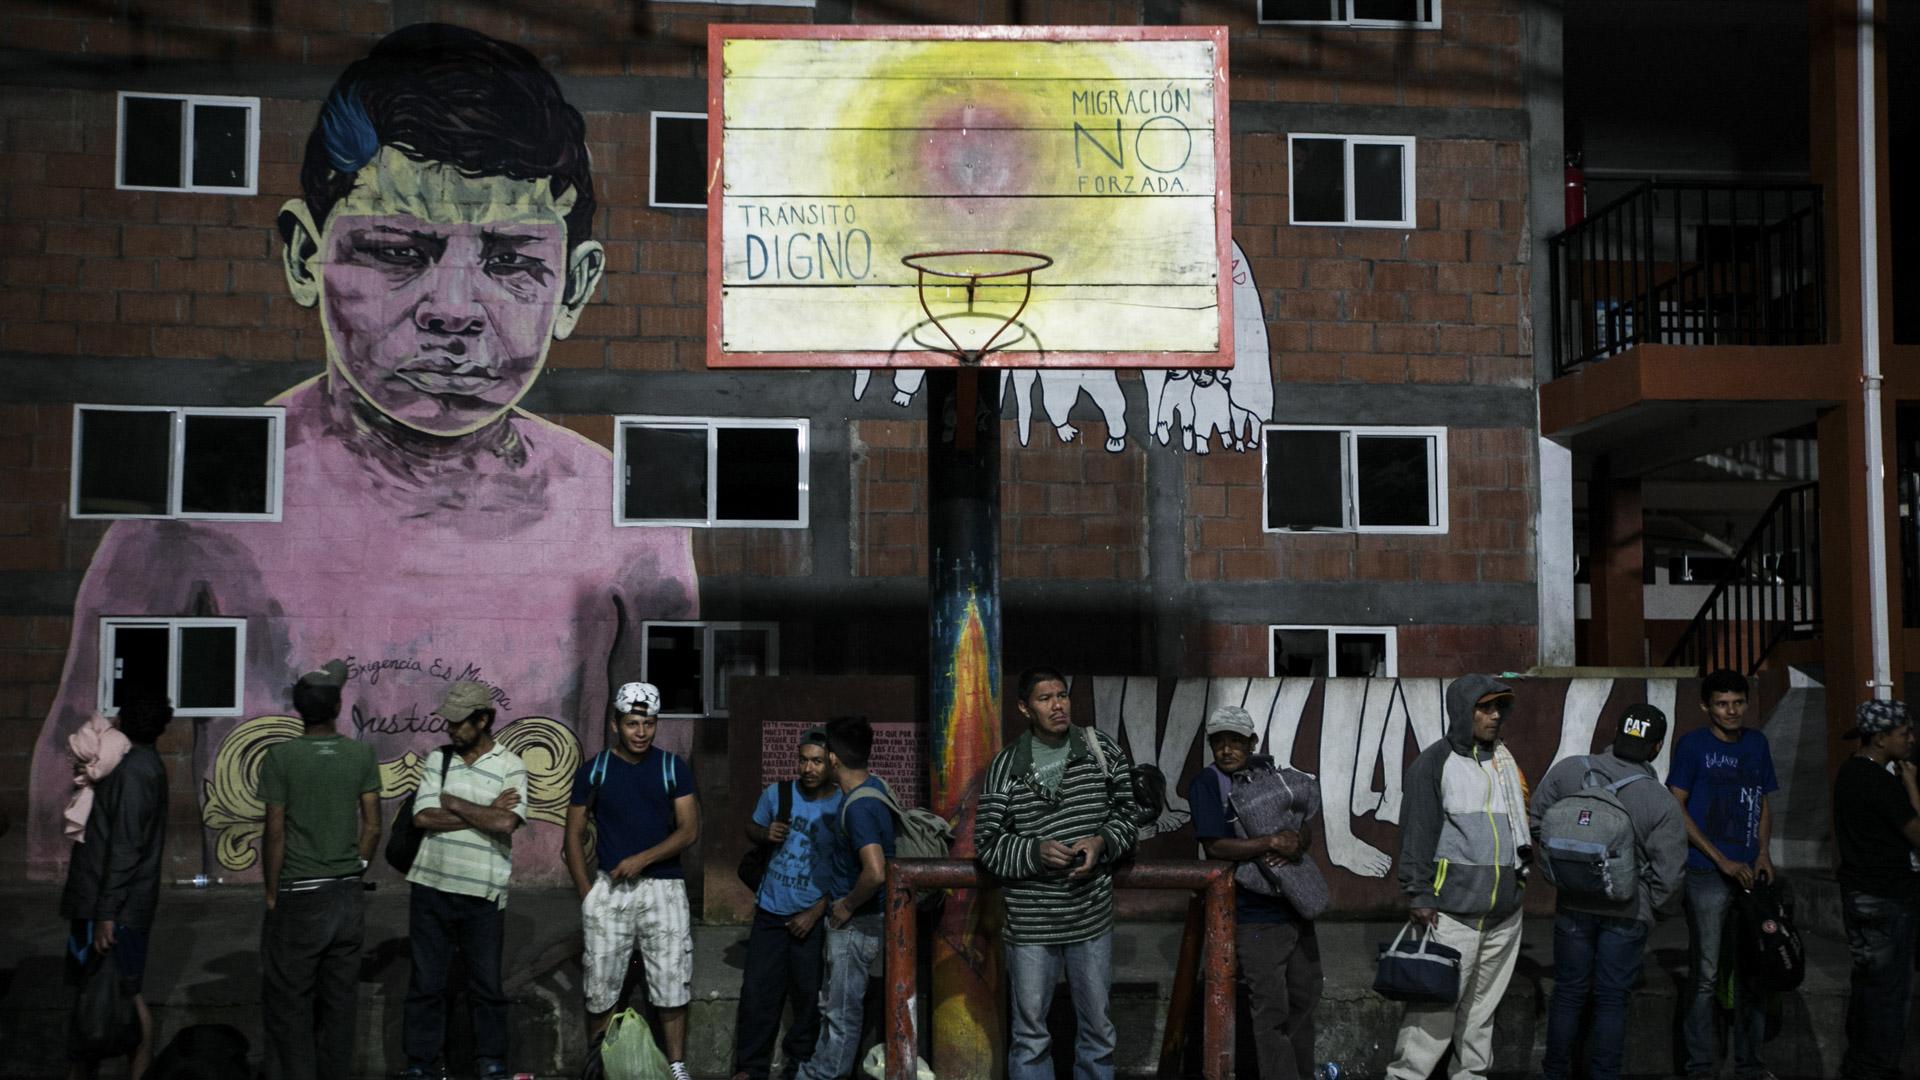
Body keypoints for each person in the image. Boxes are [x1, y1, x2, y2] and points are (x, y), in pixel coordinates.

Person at [27, 21, 698, 882]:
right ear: (307, 255)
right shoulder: (194, 511)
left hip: (529, 952)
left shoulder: (627, 523)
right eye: (395, 251)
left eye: (510, 260)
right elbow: (71, 795)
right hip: (268, 950)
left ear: (576, 285)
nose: (453, 307)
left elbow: (664, 787)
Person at [975, 667, 1139, 1080]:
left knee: (1099, 1031)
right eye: (1045, 698)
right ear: (1024, 708)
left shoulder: (1100, 748)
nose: (1057, 705)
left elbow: (1129, 815)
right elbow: (988, 843)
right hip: (1031, 923)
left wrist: (1101, 842)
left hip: (1091, 916)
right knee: (1030, 1037)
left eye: (1061, 695)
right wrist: (1035, 851)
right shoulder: (1007, 765)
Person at [1527, 703, 1687, 1080]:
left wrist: (1565, 869)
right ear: (1657, 746)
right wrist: (1654, 909)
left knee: (1568, 994)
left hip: (1572, 906)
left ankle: (1555, 1072)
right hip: (1627, 912)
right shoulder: (1659, 801)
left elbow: (1537, 823)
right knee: (1612, 1000)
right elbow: (1670, 873)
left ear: (1616, 733)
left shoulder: (1570, 772)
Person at [1384, 674, 1529, 1080]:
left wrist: (1517, 890)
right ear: (1463, 711)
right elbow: (1416, 835)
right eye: (1485, 707)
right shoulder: (1433, 764)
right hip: (1451, 916)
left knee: (1480, 1019)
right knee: (1432, 1018)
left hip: (1503, 915)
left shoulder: (1504, 763)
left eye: (1499, 707)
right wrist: (1420, 896)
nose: (1495, 715)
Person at [564, 682, 700, 1080]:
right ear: (615, 725)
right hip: (610, 890)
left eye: (649, 723)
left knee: (672, 979)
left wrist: (643, 859)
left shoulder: (672, 767)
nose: (641, 732)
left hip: (666, 889)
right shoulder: (596, 770)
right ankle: (599, 1065)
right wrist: (587, 894)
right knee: (600, 982)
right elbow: (572, 837)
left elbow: (689, 830)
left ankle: (676, 1065)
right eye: (632, 723)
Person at [258, 660, 382, 1080]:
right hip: (347, 894)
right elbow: (373, 824)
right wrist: (358, 866)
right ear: (338, 707)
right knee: (340, 1006)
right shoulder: (360, 754)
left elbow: (274, 833)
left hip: (299, 892)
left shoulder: (280, 757)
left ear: (299, 710)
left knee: (291, 1005)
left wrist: (273, 894)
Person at [401, 681, 531, 1080]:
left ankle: (490, 1062)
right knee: (426, 984)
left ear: (483, 720)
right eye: (449, 722)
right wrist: (483, 812)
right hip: (430, 888)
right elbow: (422, 817)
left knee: (486, 986)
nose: (451, 730)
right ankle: (420, 1065)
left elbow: (506, 821)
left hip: (483, 894)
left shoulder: (511, 764)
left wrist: (455, 803)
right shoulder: (438, 760)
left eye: (459, 723)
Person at [1185, 704, 1323, 1080]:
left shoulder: (1270, 776)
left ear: (1252, 742)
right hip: (1254, 914)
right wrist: (1271, 842)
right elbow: (1215, 846)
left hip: (1295, 905)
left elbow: (1303, 824)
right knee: (1271, 1010)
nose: (1226, 750)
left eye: (1235, 742)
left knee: (1305, 998)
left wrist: (1297, 841)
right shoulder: (1207, 784)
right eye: (1219, 742)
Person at [1666, 668, 1778, 1080]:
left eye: (1737, 702)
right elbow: (1676, 806)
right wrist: (1720, 860)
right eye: (1722, 704)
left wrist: (1763, 852)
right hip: (1706, 875)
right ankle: (1700, 1068)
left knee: (1753, 970)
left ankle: (1750, 1065)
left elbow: (1764, 800)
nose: (1731, 711)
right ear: (1706, 707)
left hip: (1751, 875)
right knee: (1707, 975)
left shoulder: (1758, 743)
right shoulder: (1693, 746)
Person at [61, 695, 171, 1080]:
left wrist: (107, 912)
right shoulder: (133, 766)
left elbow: (125, 848)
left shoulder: (134, 773)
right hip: (109, 903)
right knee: (99, 994)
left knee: (123, 993)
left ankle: (136, 1071)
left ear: (123, 721)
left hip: (115, 908)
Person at [731, 728, 842, 1080]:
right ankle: (750, 1068)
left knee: (808, 998)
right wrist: (764, 834)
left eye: (817, 761)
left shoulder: (842, 805)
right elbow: (752, 827)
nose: (808, 769)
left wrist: (816, 911)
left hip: (811, 918)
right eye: (803, 760)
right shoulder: (778, 793)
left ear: (831, 763)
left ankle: (799, 1067)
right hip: (770, 913)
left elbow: (848, 871)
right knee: (757, 994)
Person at [793, 716, 896, 1080]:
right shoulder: (875, 789)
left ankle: (824, 1077)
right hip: (861, 921)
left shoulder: (859, 807)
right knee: (838, 1009)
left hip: (855, 923)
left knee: (840, 1013)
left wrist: (846, 906)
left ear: (833, 758)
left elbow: (875, 871)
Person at [1832, 699, 1920, 1080]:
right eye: (1904, 734)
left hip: (1859, 893)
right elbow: (1918, 833)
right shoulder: (1881, 782)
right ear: (1882, 738)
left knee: (1868, 985)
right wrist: (1912, 784)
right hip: (1887, 895)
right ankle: (1877, 1068)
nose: (1911, 740)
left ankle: (1859, 1063)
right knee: (1888, 991)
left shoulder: (1849, 773)